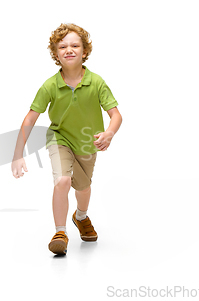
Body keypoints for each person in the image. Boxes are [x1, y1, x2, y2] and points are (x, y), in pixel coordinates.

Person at [11, 23, 122, 255]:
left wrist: (109, 133)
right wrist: (18, 154)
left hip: (87, 143)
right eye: (62, 46)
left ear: (84, 51)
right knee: (62, 180)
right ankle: (60, 232)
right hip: (59, 139)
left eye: (75, 45)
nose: (69, 49)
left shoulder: (97, 82)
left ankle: (80, 216)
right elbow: (30, 118)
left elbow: (116, 115)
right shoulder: (50, 85)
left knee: (83, 187)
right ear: (55, 53)